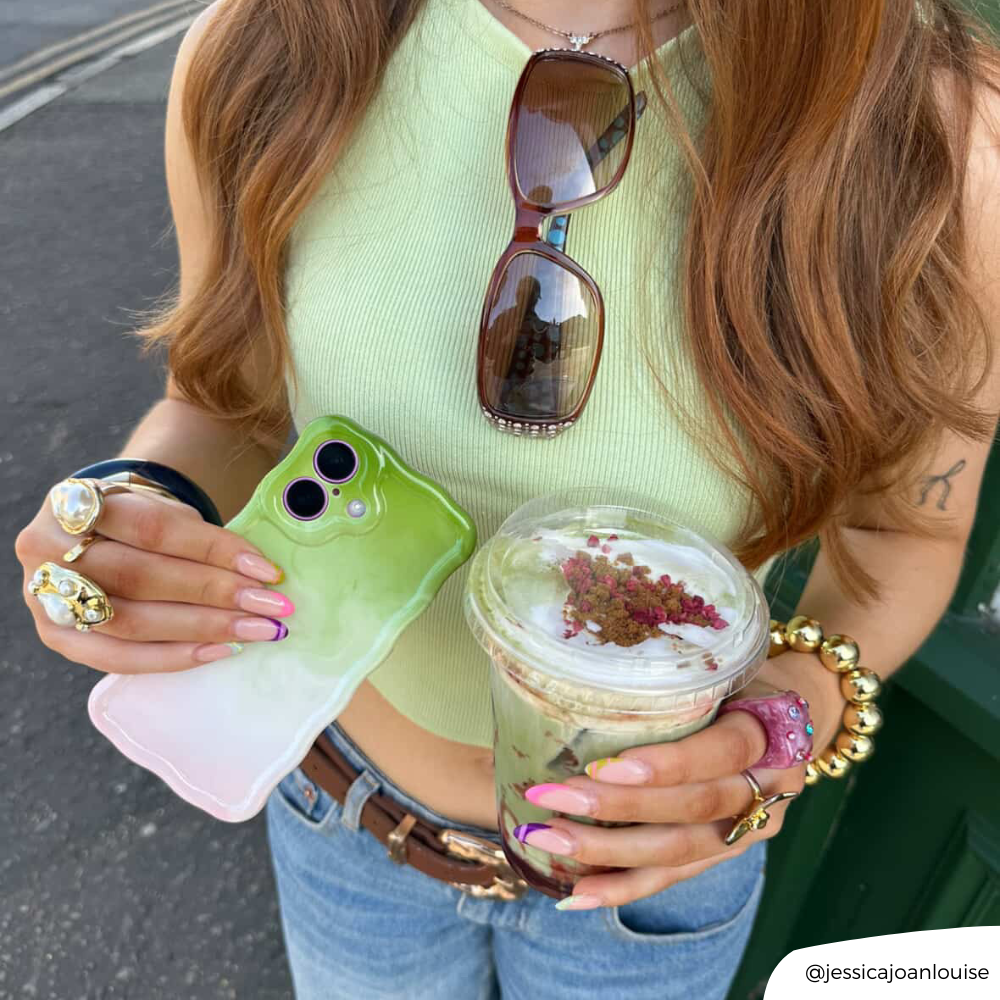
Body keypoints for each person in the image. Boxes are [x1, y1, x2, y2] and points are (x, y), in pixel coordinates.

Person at [14, 1, 1000, 997]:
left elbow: (901, 535)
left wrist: (783, 725)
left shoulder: (933, 132)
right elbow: (226, 405)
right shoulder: (266, 44)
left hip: (644, 891)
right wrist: (139, 506)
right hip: (340, 819)